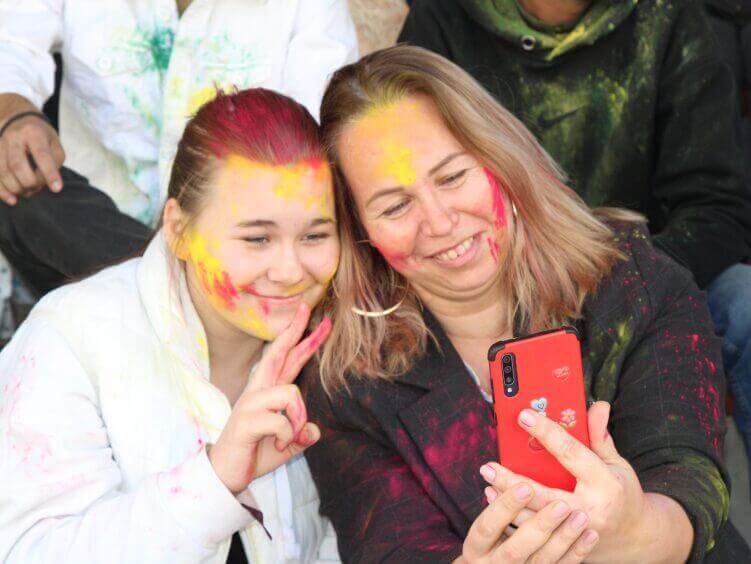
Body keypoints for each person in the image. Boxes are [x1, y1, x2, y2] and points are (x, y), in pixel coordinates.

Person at [301, 46, 750, 562]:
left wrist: (636, 533)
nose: (440, 221)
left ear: (501, 157)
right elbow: (392, 549)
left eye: (452, 176)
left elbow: (690, 481)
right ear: (359, 231)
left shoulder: (631, 279)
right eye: (395, 205)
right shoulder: (345, 384)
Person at [397, 0, 751, 462]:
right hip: (495, 287)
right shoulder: (441, 20)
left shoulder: (670, 16)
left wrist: (617, 284)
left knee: (743, 302)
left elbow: (716, 207)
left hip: (648, 269)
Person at [0, 88, 341, 562]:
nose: (290, 270)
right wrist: (215, 481)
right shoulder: (68, 337)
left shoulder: (343, 347)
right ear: (179, 230)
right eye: (257, 238)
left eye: (315, 235)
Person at [0, 0, 357, 295]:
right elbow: (11, 43)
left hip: (237, 262)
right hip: (90, 240)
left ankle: (174, 306)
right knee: (12, 176)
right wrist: (13, 112)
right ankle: (176, 301)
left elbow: (313, 148)